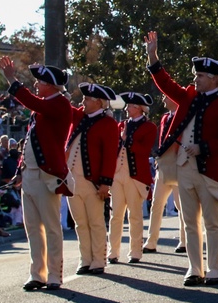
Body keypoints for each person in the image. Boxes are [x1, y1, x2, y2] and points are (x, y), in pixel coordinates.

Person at [145, 31, 218, 287]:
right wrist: (153, 56)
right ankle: (194, 269)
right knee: (189, 223)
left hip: (208, 170)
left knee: (212, 222)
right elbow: (165, 83)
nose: (194, 79)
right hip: (183, 168)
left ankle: (214, 268)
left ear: (212, 78)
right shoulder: (188, 97)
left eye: (199, 76)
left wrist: (204, 147)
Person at [0, 57, 74, 291]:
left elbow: (33, 103)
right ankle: (37, 273)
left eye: (40, 82)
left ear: (51, 84)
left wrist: (12, 79)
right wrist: (21, 170)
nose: (36, 86)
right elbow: (31, 141)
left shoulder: (59, 103)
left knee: (51, 226)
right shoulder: (43, 105)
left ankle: (54, 275)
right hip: (30, 175)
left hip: (47, 176)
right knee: (32, 227)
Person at [65, 82, 120, 276]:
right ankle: (85, 259)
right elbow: (66, 109)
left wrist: (106, 182)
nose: (83, 102)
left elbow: (109, 155)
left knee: (96, 222)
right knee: (80, 222)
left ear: (98, 102)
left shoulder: (108, 124)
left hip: (93, 182)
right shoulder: (81, 117)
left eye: (87, 99)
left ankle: (98, 260)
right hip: (72, 180)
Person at [108, 92, 156, 265]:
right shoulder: (121, 124)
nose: (127, 108)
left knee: (135, 215)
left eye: (131, 106)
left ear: (140, 108)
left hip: (134, 175)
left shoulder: (149, 127)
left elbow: (143, 150)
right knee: (116, 215)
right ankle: (113, 252)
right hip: (117, 173)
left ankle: (135, 251)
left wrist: (126, 140)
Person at [143, 95, 186, 255]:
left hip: (178, 164)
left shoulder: (184, 115)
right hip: (163, 165)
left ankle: (184, 240)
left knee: (182, 206)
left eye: (166, 97)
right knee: (156, 204)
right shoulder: (165, 117)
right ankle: (151, 241)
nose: (163, 100)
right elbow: (162, 140)